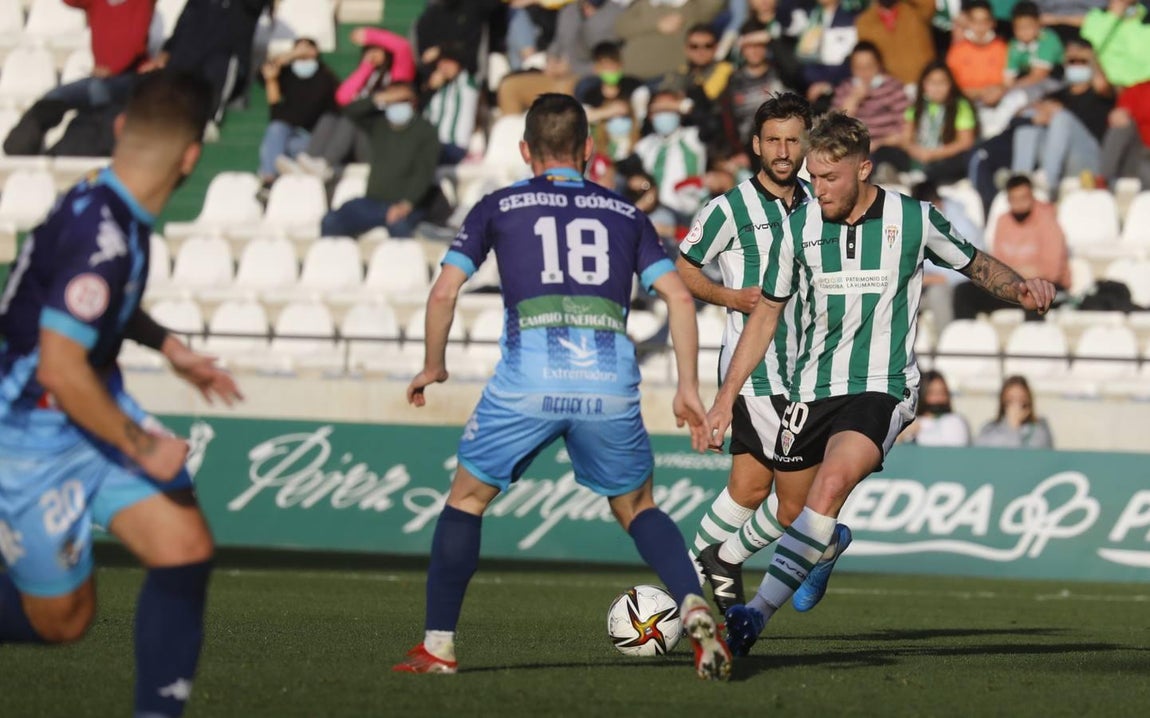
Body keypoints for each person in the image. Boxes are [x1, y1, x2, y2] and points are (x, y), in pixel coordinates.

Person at [391, 93, 731, 680]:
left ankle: (439, 647)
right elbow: (678, 296)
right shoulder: (626, 214)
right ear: (590, 151)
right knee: (638, 507)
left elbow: (444, 292)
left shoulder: (499, 205)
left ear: (526, 151)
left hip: (529, 379)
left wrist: (433, 364)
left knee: (467, 500)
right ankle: (694, 603)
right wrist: (686, 389)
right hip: (607, 380)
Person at [704, 112, 1056, 656]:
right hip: (809, 390)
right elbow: (766, 315)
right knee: (796, 514)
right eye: (812, 177)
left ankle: (753, 616)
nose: (816, 189)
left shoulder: (913, 219)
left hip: (880, 386)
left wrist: (1022, 289)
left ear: (863, 169)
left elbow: (977, 265)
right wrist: (726, 397)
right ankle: (824, 548)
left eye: (829, 179)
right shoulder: (798, 227)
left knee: (830, 486)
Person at [0, 72, 243, 718]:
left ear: (117, 131)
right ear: (192, 158)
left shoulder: (106, 205)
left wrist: (170, 347)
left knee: (185, 548)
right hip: (32, 427)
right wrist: (142, 444)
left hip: (77, 408)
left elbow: (97, 305)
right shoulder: (106, 238)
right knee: (62, 621)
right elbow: (59, 367)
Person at [677, 92, 848, 614]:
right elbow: (684, 269)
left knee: (750, 489)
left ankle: (694, 578)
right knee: (794, 504)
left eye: (793, 140)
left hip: (810, 368)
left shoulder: (822, 203)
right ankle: (697, 578)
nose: (783, 150)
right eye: (773, 139)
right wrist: (730, 297)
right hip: (758, 372)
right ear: (756, 145)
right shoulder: (729, 208)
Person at [319, 82, 440, 239]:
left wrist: (406, 204)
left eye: (402, 100)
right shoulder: (379, 124)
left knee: (400, 228)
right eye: (392, 100)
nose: (396, 104)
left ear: (413, 102)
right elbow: (350, 110)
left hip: (408, 205)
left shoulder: (426, 131)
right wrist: (379, 97)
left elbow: (425, 172)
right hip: (372, 202)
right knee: (330, 221)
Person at [1010, 37, 1112, 196]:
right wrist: (1037, 115)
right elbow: (1017, 118)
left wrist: (1092, 57)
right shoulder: (1056, 95)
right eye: (1072, 61)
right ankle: (1019, 181)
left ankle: (1047, 183)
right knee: (1030, 121)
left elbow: (1102, 85)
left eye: (1082, 61)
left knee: (1061, 117)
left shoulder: (1100, 93)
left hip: (1089, 159)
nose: (1077, 65)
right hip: (1059, 159)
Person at [258, 39, 338, 190]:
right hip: (290, 139)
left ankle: (271, 179)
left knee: (276, 146)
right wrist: (293, 54)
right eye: (298, 51)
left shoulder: (325, 78)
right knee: (276, 133)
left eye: (306, 50)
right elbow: (266, 70)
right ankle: (269, 180)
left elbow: (309, 113)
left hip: (313, 141)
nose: (302, 55)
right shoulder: (286, 76)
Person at [887, 62, 978, 185]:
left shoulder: (961, 106)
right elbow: (906, 139)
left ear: (950, 84)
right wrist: (917, 151)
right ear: (923, 84)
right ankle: (910, 175)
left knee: (963, 159)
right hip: (919, 155)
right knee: (885, 151)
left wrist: (934, 154)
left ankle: (922, 176)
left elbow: (965, 142)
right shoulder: (916, 107)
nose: (936, 88)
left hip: (945, 156)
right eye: (932, 83)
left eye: (941, 83)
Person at [831, 43, 909, 160]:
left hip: (886, 147)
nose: (864, 73)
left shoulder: (893, 87)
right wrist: (854, 99)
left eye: (869, 67)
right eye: (859, 67)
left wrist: (879, 144)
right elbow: (834, 127)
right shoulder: (844, 89)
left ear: (879, 65)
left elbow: (906, 127)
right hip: (853, 149)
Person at [854, 0, 937, 87]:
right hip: (890, 90)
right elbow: (867, 58)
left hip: (924, 84)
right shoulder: (864, 22)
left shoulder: (916, 11)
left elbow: (929, 3)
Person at [422, 45, 480, 166]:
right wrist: (430, 90)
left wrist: (440, 50)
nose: (444, 67)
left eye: (449, 62)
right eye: (441, 63)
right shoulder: (437, 90)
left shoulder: (468, 83)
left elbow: (468, 56)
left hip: (454, 146)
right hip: (430, 145)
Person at [1081, 0, 1150, 89]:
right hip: (1106, 91)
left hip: (1143, 91)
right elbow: (1088, 50)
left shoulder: (1146, 18)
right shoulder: (1096, 17)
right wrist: (1112, 16)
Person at [1003, 1, 1064, 100]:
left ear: (1038, 24)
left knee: (1017, 97)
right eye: (1019, 28)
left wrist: (1010, 89)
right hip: (1026, 83)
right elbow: (1008, 78)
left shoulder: (1048, 39)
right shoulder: (1014, 45)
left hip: (1054, 81)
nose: (1024, 32)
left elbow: (1039, 75)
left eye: (1028, 27)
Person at [975, 375, 1054, 448]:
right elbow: (983, 450)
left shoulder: (1040, 427)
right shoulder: (990, 428)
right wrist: (1011, 427)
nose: (1016, 406)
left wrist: (1015, 427)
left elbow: (1037, 452)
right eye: (1011, 399)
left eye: (1021, 399)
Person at [896, 370, 971, 446]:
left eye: (942, 393)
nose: (939, 398)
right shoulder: (911, 423)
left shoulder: (955, 421)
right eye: (933, 393)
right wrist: (904, 434)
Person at [1100, 80, 1150, 187]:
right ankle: (1103, 181)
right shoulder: (1137, 91)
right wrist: (1118, 115)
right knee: (1121, 125)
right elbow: (1117, 118)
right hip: (1139, 155)